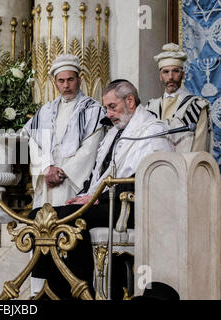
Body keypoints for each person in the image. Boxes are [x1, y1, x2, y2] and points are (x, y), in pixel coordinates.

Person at [28, 80, 174, 299]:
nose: (108, 113)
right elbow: (98, 174)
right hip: (107, 200)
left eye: (112, 107)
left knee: (69, 220)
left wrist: (97, 198)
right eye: (106, 108)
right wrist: (85, 195)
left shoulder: (152, 130)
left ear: (130, 101)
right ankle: (52, 289)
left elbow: (146, 180)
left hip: (131, 206)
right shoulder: (114, 133)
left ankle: (76, 292)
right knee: (38, 216)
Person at [22, 54, 105, 295]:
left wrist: (64, 171)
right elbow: (32, 143)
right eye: (61, 81)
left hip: (72, 186)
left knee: (70, 238)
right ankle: (42, 293)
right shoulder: (45, 111)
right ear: (55, 83)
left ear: (79, 79)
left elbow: (92, 147)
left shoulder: (93, 109)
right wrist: (46, 168)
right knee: (42, 239)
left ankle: (71, 291)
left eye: (70, 79)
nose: (66, 85)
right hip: (47, 187)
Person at [145, 43, 211, 152]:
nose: (170, 77)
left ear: (183, 75)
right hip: (155, 166)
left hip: (184, 166)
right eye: (166, 72)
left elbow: (199, 148)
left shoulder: (196, 106)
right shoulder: (149, 107)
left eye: (175, 71)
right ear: (160, 76)